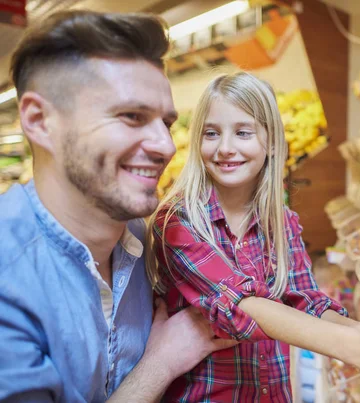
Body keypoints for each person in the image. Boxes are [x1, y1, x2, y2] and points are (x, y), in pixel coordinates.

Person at [148, 72, 360, 403]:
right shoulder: (179, 222)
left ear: (271, 142)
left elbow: (305, 302)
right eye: (211, 133)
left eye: (243, 132)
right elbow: (242, 306)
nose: (226, 148)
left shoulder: (281, 221)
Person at [0, 10, 236, 403]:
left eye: (167, 122)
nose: (166, 146)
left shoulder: (145, 238)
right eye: (132, 116)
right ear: (40, 121)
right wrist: (160, 364)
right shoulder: (9, 276)